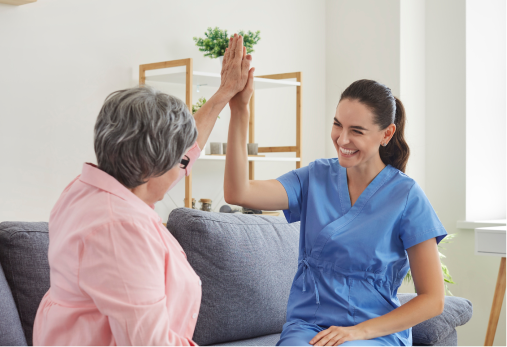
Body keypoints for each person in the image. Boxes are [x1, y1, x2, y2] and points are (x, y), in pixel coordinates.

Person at [33, 34, 253, 347]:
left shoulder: (88, 189)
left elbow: (183, 153)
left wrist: (222, 96)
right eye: (178, 162)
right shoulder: (120, 229)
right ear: (148, 168)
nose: (184, 166)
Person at [224, 78, 446, 347]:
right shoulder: (314, 177)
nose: (342, 139)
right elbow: (239, 192)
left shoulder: (407, 196)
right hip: (309, 327)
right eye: (337, 124)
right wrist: (240, 110)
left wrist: (358, 332)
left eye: (357, 131)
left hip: (374, 331)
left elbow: (432, 299)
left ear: (386, 134)